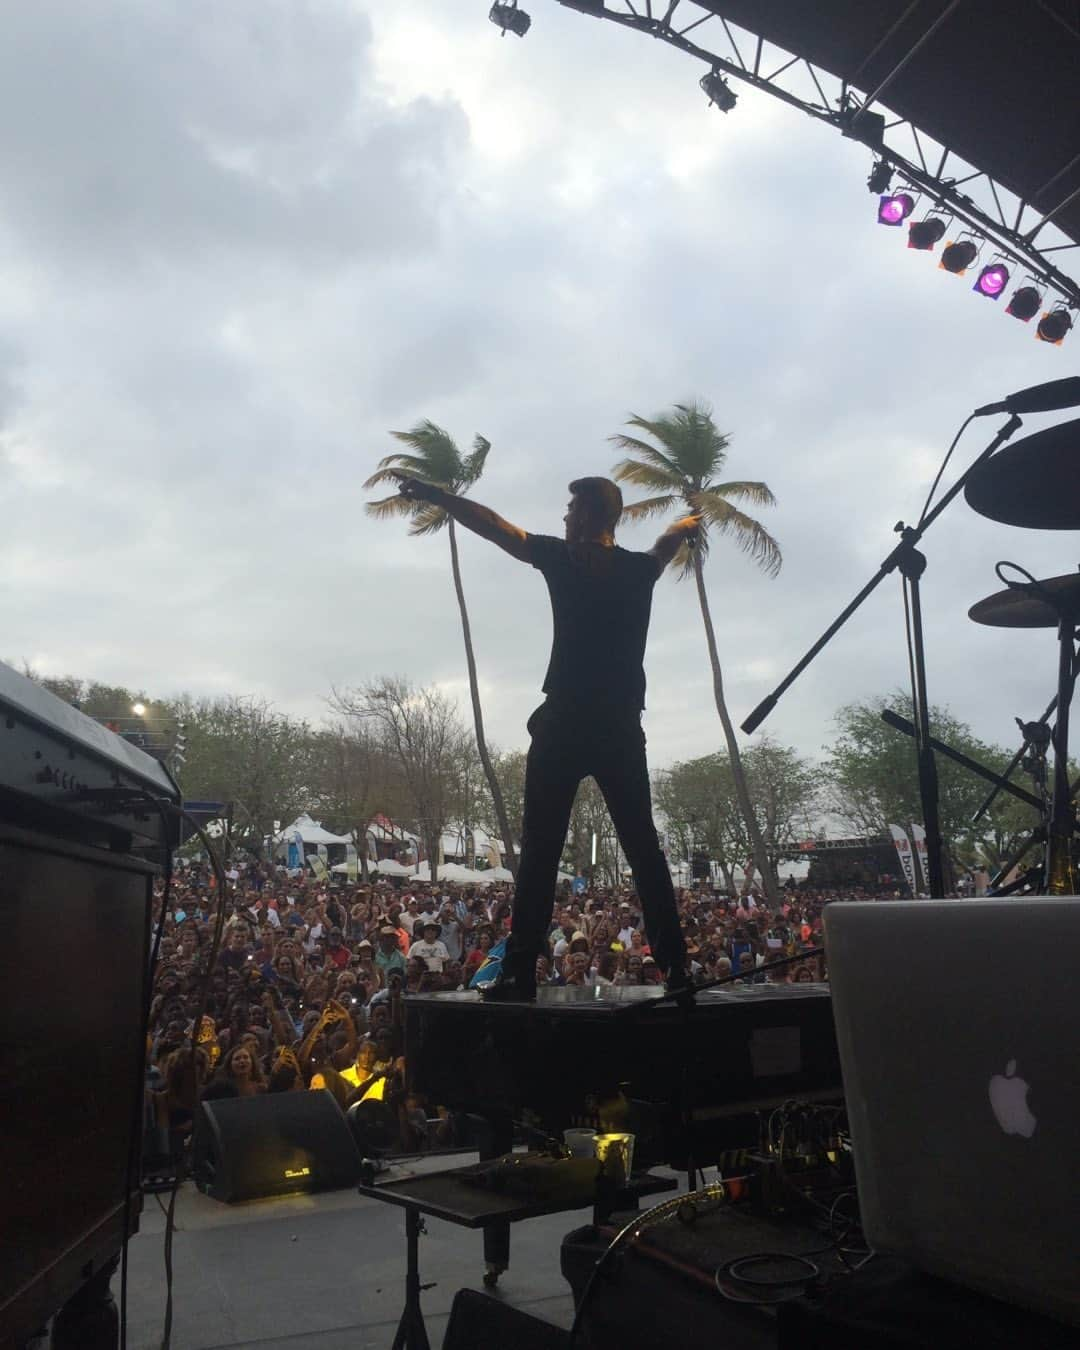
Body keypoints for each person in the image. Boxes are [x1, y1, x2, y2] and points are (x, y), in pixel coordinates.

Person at [396, 472, 697, 1000]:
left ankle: (516, 973)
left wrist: (438, 496)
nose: (563, 516)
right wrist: (686, 523)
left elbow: (494, 527)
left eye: (570, 508)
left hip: (565, 722)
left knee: (540, 852)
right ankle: (677, 970)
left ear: (587, 516)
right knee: (644, 849)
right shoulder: (639, 570)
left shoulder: (564, 559)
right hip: (621, 726)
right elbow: (666, 544)